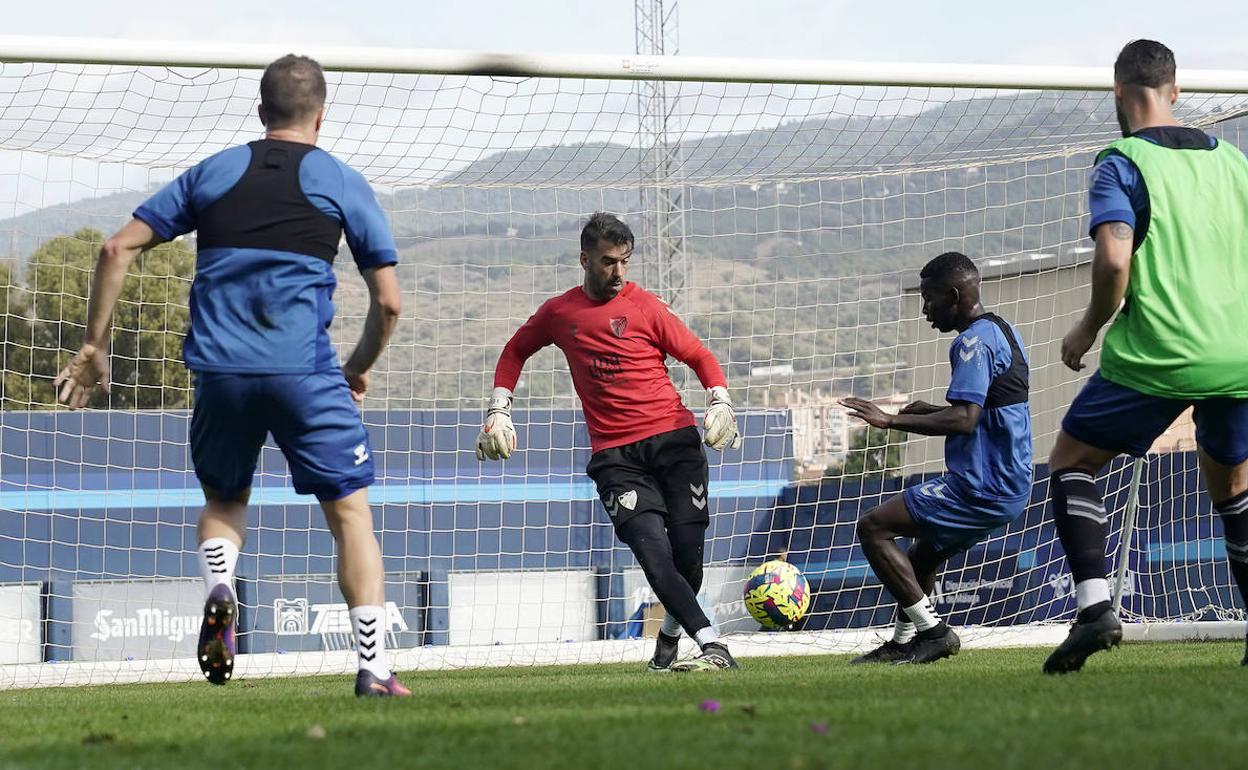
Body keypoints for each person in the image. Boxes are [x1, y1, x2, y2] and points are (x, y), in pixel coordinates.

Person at [53, 54, 410, 697]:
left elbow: (115, 248)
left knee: (224, 501)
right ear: (322, 116)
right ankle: (374, 669)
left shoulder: (215, 171)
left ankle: (221, 584)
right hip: (304, 373)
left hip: (220, 372)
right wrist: (355, 369)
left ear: (260, 112)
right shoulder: (342, 180)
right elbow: (388, 303)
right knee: (350, 515)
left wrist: (93, 346)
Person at [1043, 40, 1248, 674]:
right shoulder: (1236, 163)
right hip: (1239, 356)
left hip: (1161, 352)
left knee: (1072, 460)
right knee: (1234, 488)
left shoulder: (1120, 162)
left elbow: (1113, 260)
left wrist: (1085, 330)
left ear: (1117, 94)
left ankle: (1096, 609)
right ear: (1177, 90)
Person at [475, 212, 742, 671]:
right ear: (584, 259)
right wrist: (500, 406)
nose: (618, 272)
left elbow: (697, 354)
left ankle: (670, 636)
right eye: (607, 262)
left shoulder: (647, 307)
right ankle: (713, 645)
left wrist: (720, 399)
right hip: (616, 457)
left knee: (688, 561)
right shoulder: (560, 313)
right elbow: (516, 350)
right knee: (653, 555)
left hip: (675, 441)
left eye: (625, 261)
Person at [842, 251, 1032, 665]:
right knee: (922, 556)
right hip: (1008, 482)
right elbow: (990, 408)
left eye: (929, 299)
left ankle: (935, 633)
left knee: (874, 528)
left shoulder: (972, 341)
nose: (926, 309)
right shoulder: (1002, 329)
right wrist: (929, 411)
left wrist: (890, 421)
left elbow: (965, 419)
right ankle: (904, 642)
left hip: (983, 485)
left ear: (953, 294)